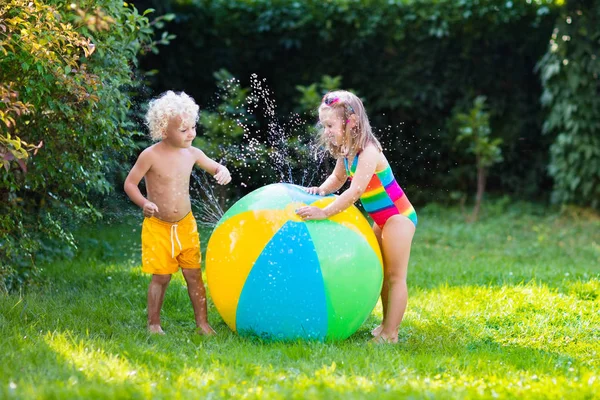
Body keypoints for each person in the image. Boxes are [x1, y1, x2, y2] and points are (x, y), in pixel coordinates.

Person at [296, 90, 417, 344]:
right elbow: (339, 179)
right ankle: (386, 324)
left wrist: (324, 211)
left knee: (395, 277)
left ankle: (391, 334)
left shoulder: (368, 151)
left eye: (330, 125)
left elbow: (355, 191)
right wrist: (321, 191)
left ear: (350, 123)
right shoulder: (347, 151)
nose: (326, 130)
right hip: (382, 220)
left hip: (398, 217)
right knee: (383, 274)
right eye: (324, 125)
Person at [124, 91, 231, 335]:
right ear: (164, 130)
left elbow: (215, 167)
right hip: (158, 227)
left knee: (194, 275)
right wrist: (143, 203)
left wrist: (222, 171)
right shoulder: (150, 155)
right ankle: (153, 324)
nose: (191, 133)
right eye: (183, 130)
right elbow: (130, 184)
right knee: (161, 277)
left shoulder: (192, 153)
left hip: (186, 225)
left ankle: (202, 324)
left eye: (193, 127)